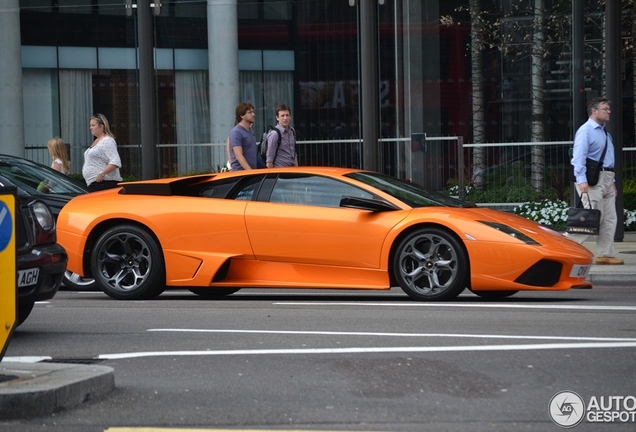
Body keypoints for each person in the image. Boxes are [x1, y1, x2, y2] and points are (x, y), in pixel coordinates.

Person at [569, 97, 623, 265]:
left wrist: (612, 181)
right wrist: (582, 180)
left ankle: (605, 253)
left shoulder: (604, 132)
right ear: (594, 111)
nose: (609, 112)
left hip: (606, 178)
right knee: (592, 217)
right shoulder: (586, 131)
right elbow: (578, 158)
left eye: (608, 109)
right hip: (592, 180)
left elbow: (608, 159)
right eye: (605, 109)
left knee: (609, 218)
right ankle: (566, 248)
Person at [82, 113, 123, 191]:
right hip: (93, 183)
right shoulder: (97, 141)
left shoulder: (107, 140)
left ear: (101, 126)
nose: (90, 128)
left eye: (93, 125)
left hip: (104, 183)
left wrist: (102, 173)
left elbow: (116, 161)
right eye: (90, 125)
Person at [265, 104, 298, 168]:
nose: (285, 118)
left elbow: (294, 153)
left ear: (290, 117)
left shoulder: (292, 131)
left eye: (287, 115)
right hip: (280, 170)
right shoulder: (274, 134)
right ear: (277, 118)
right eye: (282, 116)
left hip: (292, 169)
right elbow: (269, 159)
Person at [229, 102, 258, 171]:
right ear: (242, 115)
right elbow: (239, 155)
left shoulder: (250, 130)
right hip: (240, 173)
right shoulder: (236, 132)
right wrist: (250, 172)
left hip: (250, 173)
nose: (253, 115)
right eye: (250, 112)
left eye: (253, 112)